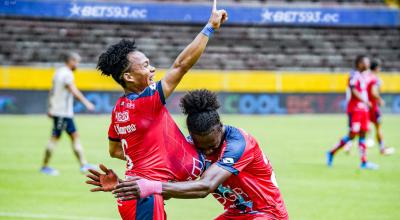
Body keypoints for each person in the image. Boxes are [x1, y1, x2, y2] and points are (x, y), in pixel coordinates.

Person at [88, 1, 228, 219]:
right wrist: (210, 27)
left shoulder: (120, 108)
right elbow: (181, 66)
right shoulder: (146, 101)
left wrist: (153, 163)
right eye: (144, 66)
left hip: (138, 192)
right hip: (145, 195)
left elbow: (115, 151)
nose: (152, 68)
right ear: (128, 77)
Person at [89, 90, 288, 220]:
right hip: (236, 214)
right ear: (192, 136)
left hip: (268, 213)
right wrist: (126, 186)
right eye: (202, 147)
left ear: (220, 127)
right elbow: (165, 184)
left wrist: (151, 186)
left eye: (212, 145)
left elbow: (205, 186)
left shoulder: (240, 142)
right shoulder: (189, 147)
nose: (208, 151)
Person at [41, 52, 96, 176]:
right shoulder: (67, 74)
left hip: (60, 112)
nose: (77, 64)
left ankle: (83, 164)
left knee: (74, 136)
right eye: (76, 61)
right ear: (70, 61)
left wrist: (50, 107)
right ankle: (45, 166)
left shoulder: (58, 72)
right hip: (62, 113)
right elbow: (73, 90)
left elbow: (52, 91)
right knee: (55, 138)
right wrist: (87, 103)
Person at [326, 55, 379, 170]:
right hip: (355, 109)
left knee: (363, 134)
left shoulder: (363, 76)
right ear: (360, 63)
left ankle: (364, 162)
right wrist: (365, 100)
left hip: (363, 109)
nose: (368, 64)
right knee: (352, 135)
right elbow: (353, 89)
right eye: (366, 62)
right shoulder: (353, 75)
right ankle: (331, 152)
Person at [365, 59, 395, 155]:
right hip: (372, 106)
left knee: (360, 128)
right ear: (377, 68)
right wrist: (380, 99)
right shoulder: (374, 78)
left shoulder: (365, 76)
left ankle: (348, 145)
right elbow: (374, 92)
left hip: (364, 105)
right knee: (378, 127)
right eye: (379, 67)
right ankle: (382, 148)